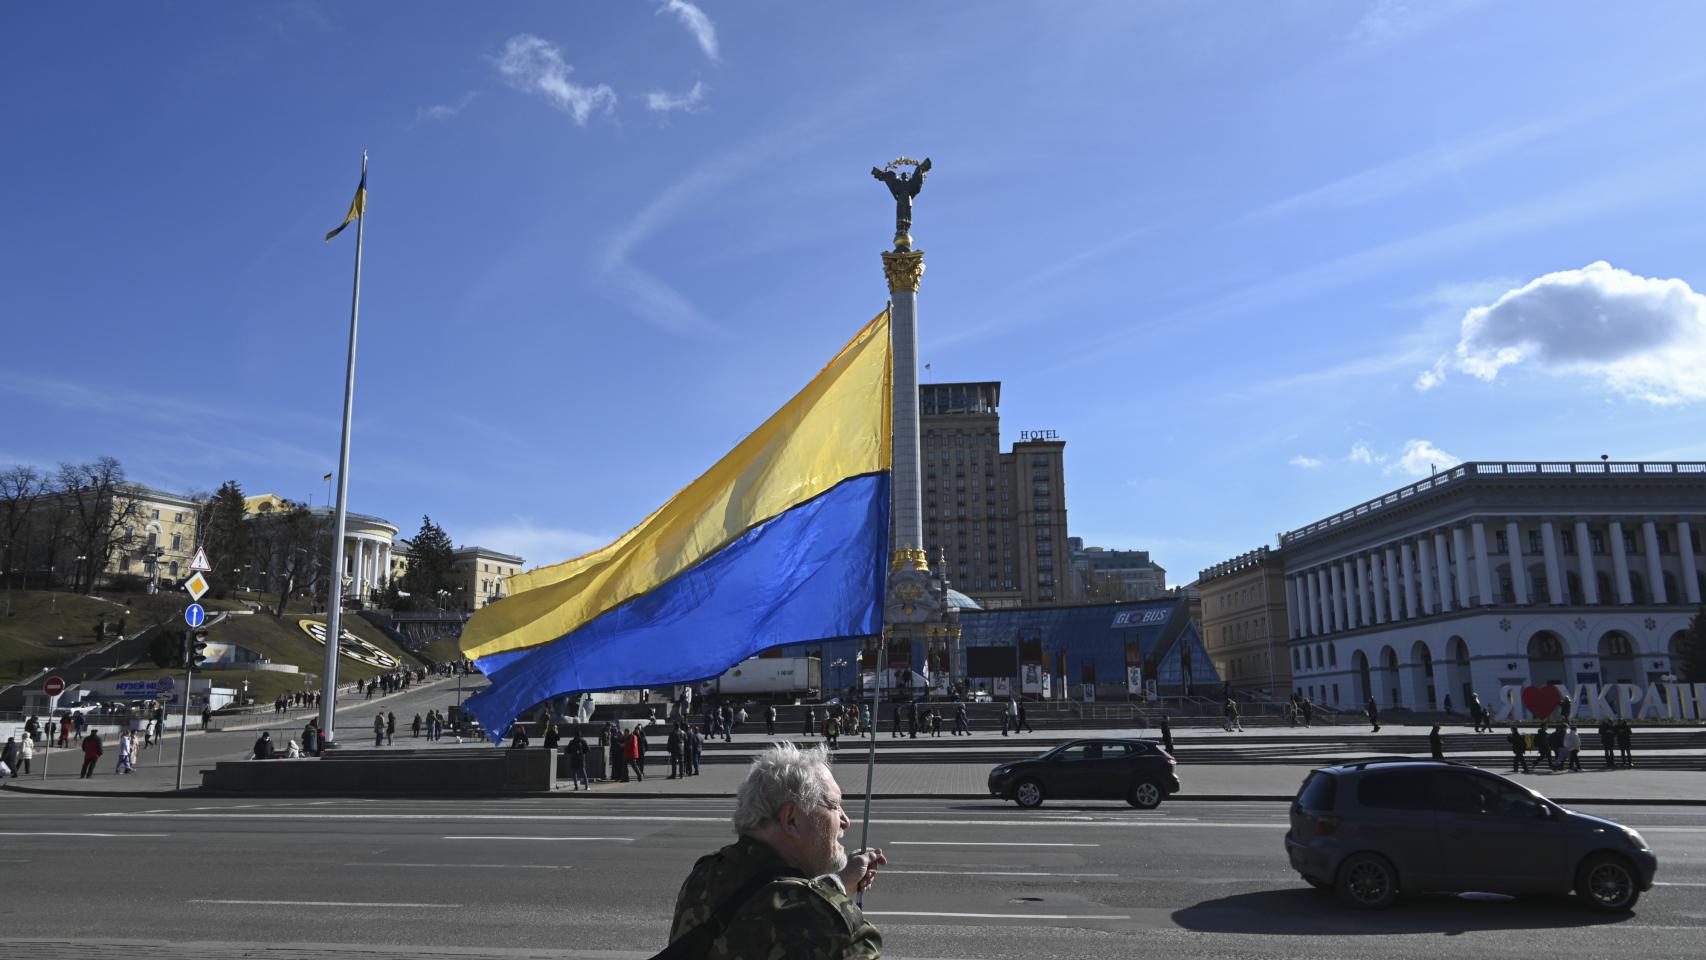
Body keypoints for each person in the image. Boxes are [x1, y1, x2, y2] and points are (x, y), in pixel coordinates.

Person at [666, 742, 885, 959]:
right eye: (834, 805)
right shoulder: (828, 922)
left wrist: (835, 886)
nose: (846, 821)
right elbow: (794, 909)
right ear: (791, 819)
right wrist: (833, 901)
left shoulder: (704, 876)